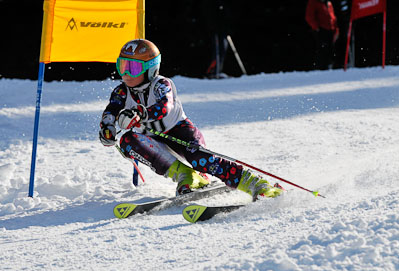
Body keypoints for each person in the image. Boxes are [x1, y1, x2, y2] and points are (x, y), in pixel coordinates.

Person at [99, 39, 283, 199]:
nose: (126, 74)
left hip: (180, 132)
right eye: (123, 66)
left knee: (200, 159)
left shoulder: (161, 84)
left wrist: (141, 114)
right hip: (153, 139)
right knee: (127, 141)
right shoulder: (121, 91)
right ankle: (188, 176)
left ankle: (256, 184)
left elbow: (165, 106)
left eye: (133, 68)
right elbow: (111, 110)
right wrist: (108, 129)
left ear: (150, 68)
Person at [305, 0, 340, 69]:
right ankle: (321, 68)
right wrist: (316, 28)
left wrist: (336, 29)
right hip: (321, 30)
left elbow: (333, 17)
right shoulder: (313, 2)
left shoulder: (328, 2)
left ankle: (331, 66)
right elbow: (309, 17)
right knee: (322, 50)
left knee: (332, 50)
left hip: (331, 30)